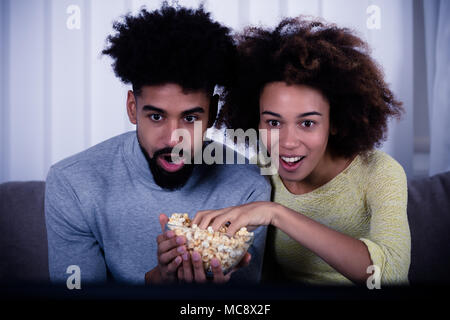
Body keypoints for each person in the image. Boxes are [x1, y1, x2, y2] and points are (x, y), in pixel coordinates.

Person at [44, 4, 271, 286]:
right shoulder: (74, 184)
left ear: (212, 113)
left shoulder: (248, 186)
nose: (173, 139)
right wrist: (155, 284)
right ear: (131, 108)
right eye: (156, 116)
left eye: (190, 117)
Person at [193, 17, 411, 286]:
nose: (288, 142)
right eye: (273, 122)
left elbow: (390, 276)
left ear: (335, 121)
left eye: (307, 123)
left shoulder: (380, 173)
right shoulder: (261, 168)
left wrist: (276, 213)